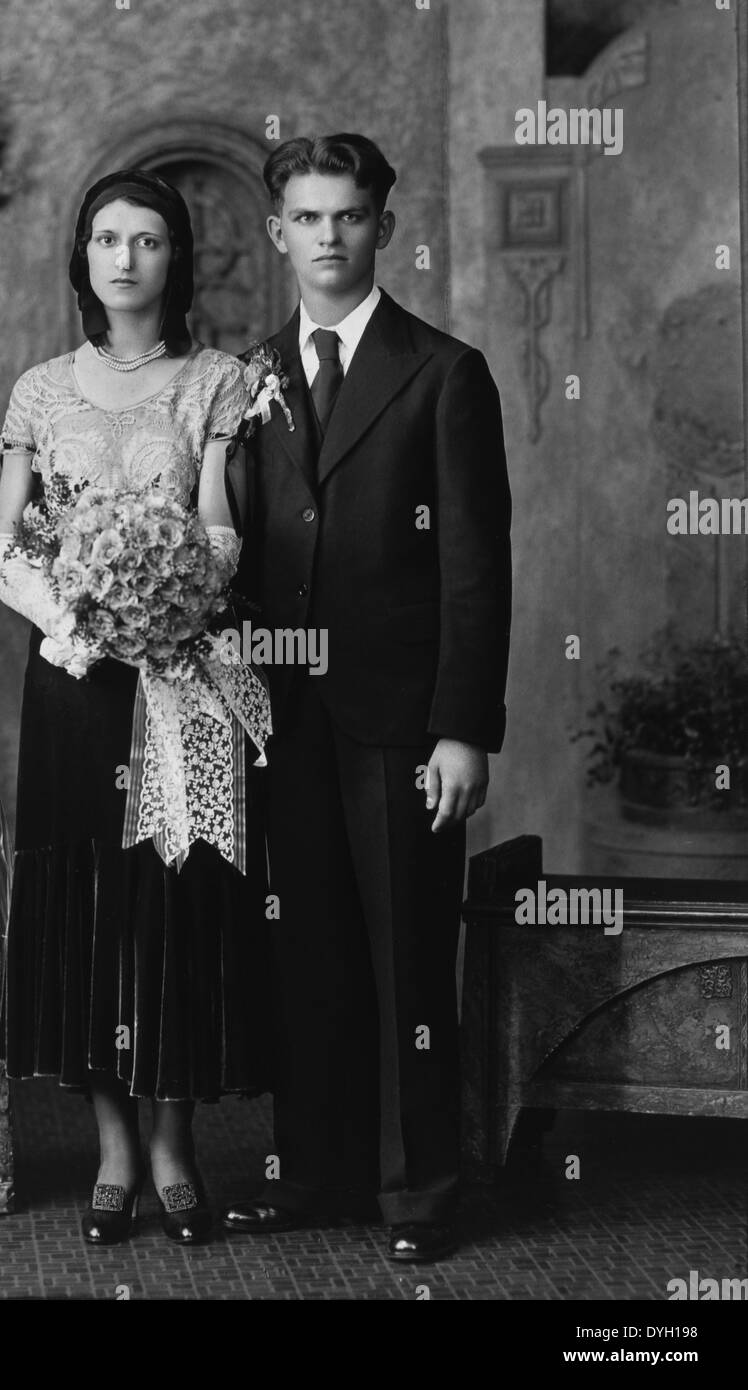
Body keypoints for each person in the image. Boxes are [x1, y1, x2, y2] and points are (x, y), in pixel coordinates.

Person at [223, 134, 512, 1261]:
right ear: (278, 229)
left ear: (383, 226)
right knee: (309, 959)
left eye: (350, 215)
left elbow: (475, 569)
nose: (329, 235)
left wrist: (461, 729)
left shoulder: (444, 372)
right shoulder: (247, 378)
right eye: (308, 216)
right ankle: (316, 1175)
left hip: (401, 722)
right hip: (282, 719)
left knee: (405, 961)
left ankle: (417, 1193)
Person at [0, 169, 271, 1247]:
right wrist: (79, 613)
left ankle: (172, 1143)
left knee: (176, 901)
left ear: (175, 258)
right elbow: (5, 543)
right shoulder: (39, 391)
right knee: (90, 904)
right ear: (83, 255)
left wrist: (173, 594)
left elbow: (224, 529)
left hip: (182, 674)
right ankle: (111, 1145)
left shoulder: (218, 384)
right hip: (74, 686)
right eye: (107, 237)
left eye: (148, 239)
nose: (125, 258)